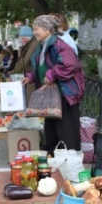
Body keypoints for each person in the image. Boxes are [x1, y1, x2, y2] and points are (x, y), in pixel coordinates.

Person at [22, 15, 85, 156]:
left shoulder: (59, 45)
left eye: (36, 28)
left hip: (65, 97)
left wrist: (52, 74)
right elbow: (42, 66)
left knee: (67, 135)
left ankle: (70, 167)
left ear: (47, 30)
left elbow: (71, 65)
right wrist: (31, 77)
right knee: (52, 132)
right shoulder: (43, 45)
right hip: (53, 97)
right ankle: (54, 164)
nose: (34, 32)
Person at [11, 25, 39, 98]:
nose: (21, 40)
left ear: (27, 37)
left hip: (32, 79)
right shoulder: (28, 46)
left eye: (22, 38)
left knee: (31, 100)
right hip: (30, 77)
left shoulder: (34, 45)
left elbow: (24, 62)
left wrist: (13, 72)